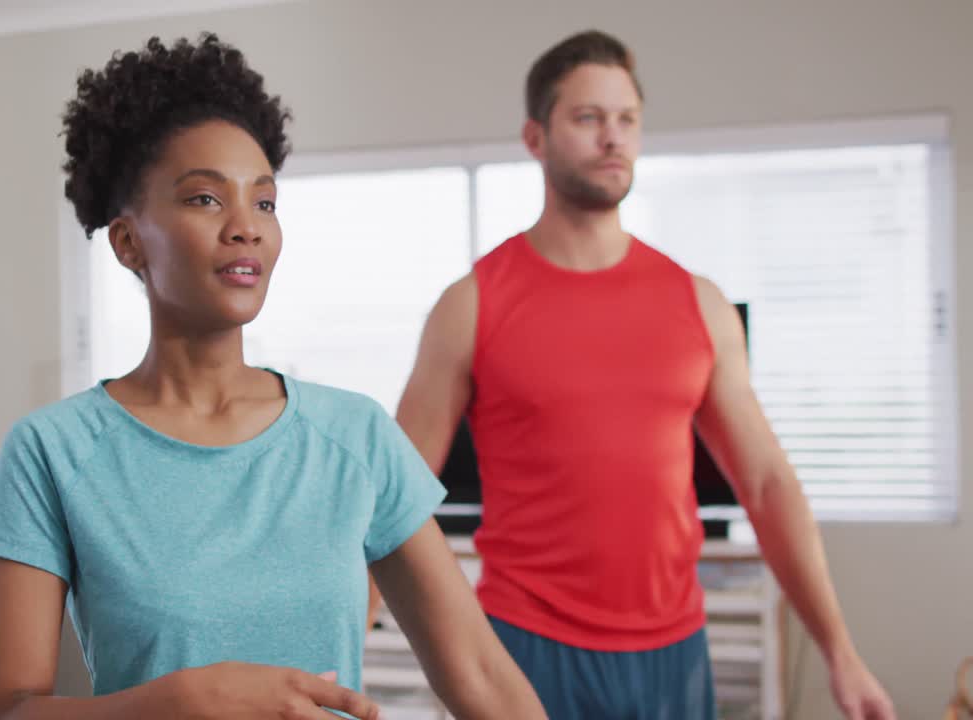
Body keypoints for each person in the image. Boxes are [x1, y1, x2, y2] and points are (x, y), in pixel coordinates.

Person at [0, 34, 548, 720]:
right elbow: (3, 713)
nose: (246, 227)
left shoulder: (355, 437)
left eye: (264, 203)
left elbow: (482, 678)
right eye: (206, 200)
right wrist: (184, 699)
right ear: (128, 242)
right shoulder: (53, 451)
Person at [379, 29, 897, 720]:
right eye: (588, 118)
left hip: (675, 652)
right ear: (535, 138)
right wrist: (338, 646)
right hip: (525, 647)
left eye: (626, 120)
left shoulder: (699, 304)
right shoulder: (471, 304)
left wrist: (840, 651)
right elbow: (394, 500)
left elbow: (768, 485)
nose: (612, 138)